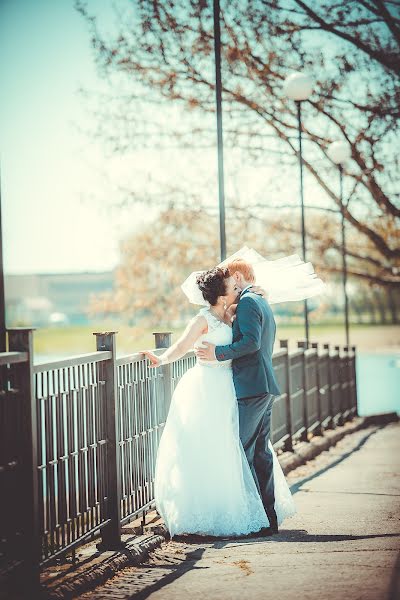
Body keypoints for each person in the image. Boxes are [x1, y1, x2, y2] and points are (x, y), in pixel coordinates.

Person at [142, 264, 296, 538]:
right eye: (231, 285)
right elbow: (182, 345)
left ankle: (258, 516)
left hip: (236, 388)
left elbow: (250, 337)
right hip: (214, 388)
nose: (236, 287)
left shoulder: (233, 311)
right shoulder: (205, 319)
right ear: (223, 294)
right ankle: (255, 516)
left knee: (243, 450)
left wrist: (257, 296)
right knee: (234, 450)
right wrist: (163, 359)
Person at [196, 258, 281, 533]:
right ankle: (267, 517)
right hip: (263, 385)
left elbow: (251, 343)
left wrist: (218, 353)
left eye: (231, 279)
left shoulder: (247, 302)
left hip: (252, 387)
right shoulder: (259, 301)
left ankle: (253, 518)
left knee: (241, 452)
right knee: (260, 454)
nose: (229, 284)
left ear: (239, 278)